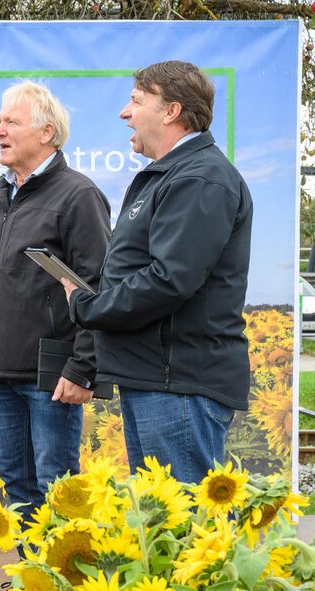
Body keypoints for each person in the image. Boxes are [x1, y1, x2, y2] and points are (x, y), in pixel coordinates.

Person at [0, 82, 111, 591]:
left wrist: (83, 366)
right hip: (2, 368)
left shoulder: (78, 195)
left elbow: (98, 287)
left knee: (56, 485)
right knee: (19, 484)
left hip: (53, 369)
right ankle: (30, 586)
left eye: (10, 122)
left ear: (46, 132)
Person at [65, 60, 252, 484]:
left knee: (184, 518)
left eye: (136, 101)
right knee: (159, 517)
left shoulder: (201, 177)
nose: (124, 113)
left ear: (171, 111)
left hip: (178, 385)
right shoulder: (172, 175)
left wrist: (89, 307)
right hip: (158, 380)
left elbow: (170, 279)